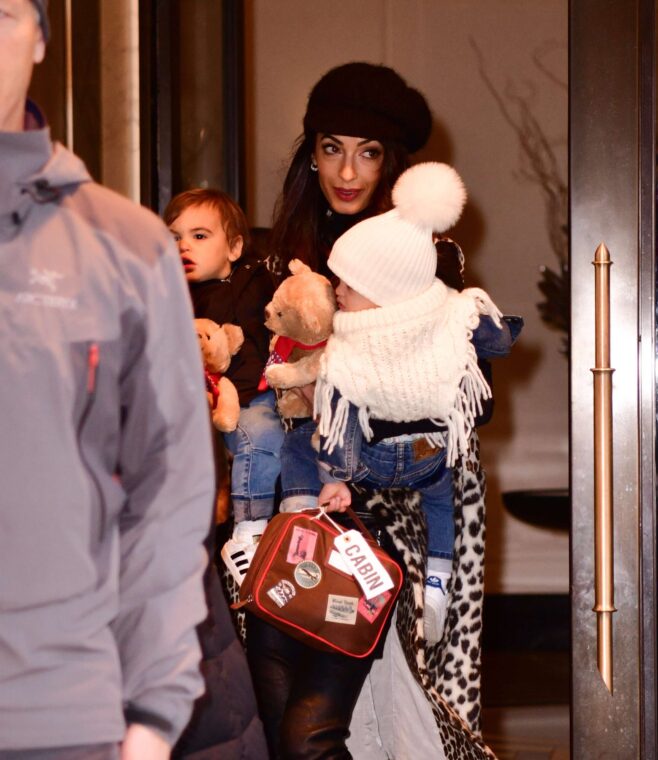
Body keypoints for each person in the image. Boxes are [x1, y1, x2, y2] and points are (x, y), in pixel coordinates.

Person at [246, 62, 514, 759]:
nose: (347, 169)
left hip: (403, 505)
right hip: (295, 504)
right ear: (310, 153)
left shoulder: (430, 259)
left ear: (394, 165)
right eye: (332, 146)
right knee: (284, 707)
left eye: (369, 152)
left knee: (375, 715)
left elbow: (466, 399)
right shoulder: (279, 258)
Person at [0, 2, 216, 758]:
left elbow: (171, 483)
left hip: (63, 712)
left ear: (41, 35)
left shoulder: (126, 245)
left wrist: (154, 713)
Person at [280, 161, 503, 646]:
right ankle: (439, 583)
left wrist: (336, 478)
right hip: (430, 459)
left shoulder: (352, 344)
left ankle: (299, 529)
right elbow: (493, 339)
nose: (336, 291)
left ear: (381, 293)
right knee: (443, 505)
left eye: (347, 284)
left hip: (375, 464)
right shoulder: (448, 316)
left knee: (298, 442)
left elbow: (338, 418)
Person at [164, 189, 284, 585]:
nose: (184, 246)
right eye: (174, 237)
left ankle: (248, 532)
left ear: (233, 247)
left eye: (199, 236)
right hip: (196, 400)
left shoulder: (255, 280)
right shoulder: (169, 294)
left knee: (264, 435)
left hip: (249, 396)